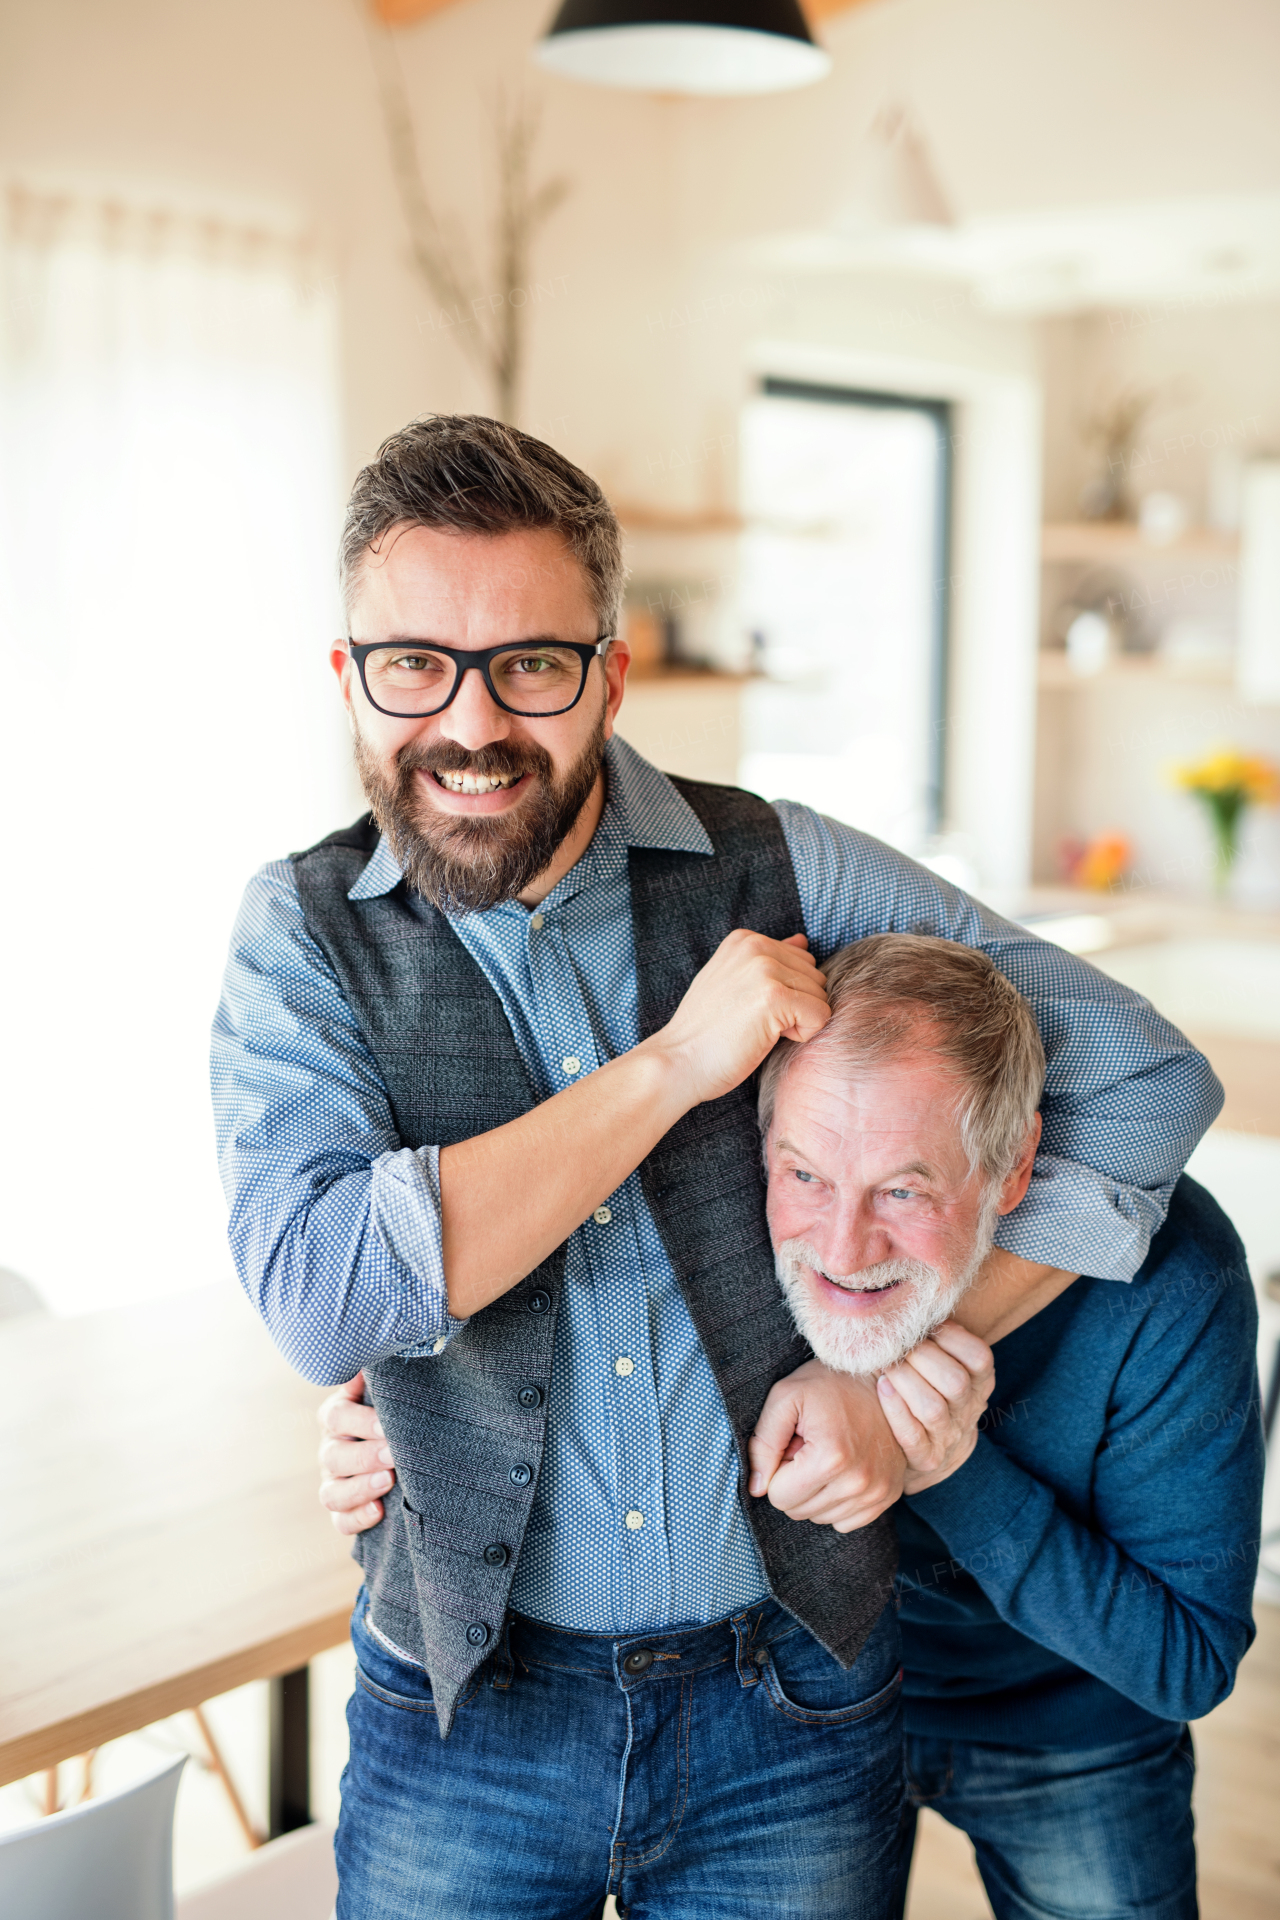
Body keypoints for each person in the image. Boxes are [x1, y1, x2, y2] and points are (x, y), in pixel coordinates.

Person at [214, 414, 1222, 1919]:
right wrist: (680, 1066)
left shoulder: (785, 864)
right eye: (413, 663)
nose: (470, 724)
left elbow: (1150, 1077)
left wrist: (898, 1372)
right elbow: (322, 1297)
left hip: (793, 1708)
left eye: (532, 665)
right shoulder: (301, 936)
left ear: (612, 677)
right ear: (350, 676)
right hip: (461, 1722)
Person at [324, 931, 1264, 1920]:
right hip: (807, 1700)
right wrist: (396, 1424)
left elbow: (1184, 1661)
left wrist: (942, 1464)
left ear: (1013, 1165)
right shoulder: (752, 1236)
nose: (843, 1247)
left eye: (904, 1190)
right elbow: (582, 1368)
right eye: (804, 1174)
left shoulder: (1169, 1279)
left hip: (1067, 1727)